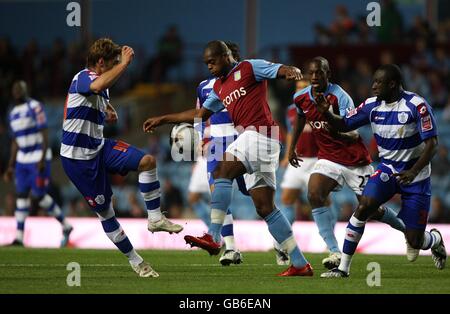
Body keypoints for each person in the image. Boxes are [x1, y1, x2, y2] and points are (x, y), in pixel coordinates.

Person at [144, 40, 312, 276]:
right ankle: (299, 263)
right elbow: (200, 114)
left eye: (212, 61)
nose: (209, 67)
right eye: (206, 64)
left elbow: (278, 69)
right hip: (260, 142)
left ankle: (213, 237)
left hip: (261, 134)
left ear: (225, 56)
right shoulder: (219, 88)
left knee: (221, 170)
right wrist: (163, 119)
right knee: (265, 208)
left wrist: (290, 71)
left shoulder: (249, 68)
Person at [60, 38, 183, 278]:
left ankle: (156, 218)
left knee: (147, 161)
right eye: (114, 63)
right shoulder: (83, 76)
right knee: (106, 212)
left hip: (99, 147)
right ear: (101, 62)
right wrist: (125, 63)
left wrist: (107, 109)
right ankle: (136, 261)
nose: (119, 67)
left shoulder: (102, 85)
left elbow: (97, 94)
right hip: (78, 161)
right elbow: (93, 87)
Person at [319, 64, 446, 278]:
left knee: (415, 240)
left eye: (379, 82)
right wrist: (327, 114)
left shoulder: (417, 105)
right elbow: (343, 125)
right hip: (387, 169)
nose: (374, 86)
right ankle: (343, 269)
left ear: (393, 84)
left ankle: (434, 239)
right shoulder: (371, 106)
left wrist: (414, 172)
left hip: (416, 176)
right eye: (374, 81)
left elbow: (432, 144)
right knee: (364, 207)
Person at [289, 57, 407, 269]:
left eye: (320, 73)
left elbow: (352, 134)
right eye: (312, 73)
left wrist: (330, 120)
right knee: (314, 194)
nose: (315, 77)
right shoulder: (300, 97)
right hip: (328, 157)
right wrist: (291, 147)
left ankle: (407, 230)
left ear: (328, 75)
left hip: (355, 161)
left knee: (373, 210)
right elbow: (300, 117)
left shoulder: (340, 97)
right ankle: (334, 252)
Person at [3, 81, 73, 247]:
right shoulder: (12, 113)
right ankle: (19, 238)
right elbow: (15, 141)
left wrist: (42, 158)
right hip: (22, 160)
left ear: (26, 90)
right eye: (15, 89)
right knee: (21, 196)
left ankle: (66, 225)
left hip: (37, 157)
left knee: (39, 196)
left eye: (20, 88)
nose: (17, 91)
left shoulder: (35, 107)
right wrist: (11, 165)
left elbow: (44, 131)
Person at [277, 79, 321, 265]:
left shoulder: (321, 107)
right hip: (298, 161)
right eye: (298, 88)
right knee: (286, 199)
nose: (300, 91)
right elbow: (289, 133)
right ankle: (283, 244)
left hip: (317, 161)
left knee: (322, 202)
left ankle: (332, 246)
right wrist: (288, 154)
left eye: (304, 88)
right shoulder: (290, 110)